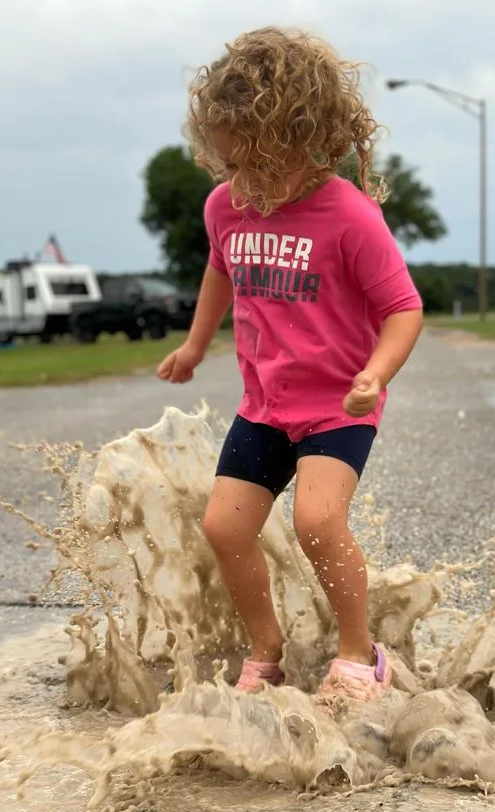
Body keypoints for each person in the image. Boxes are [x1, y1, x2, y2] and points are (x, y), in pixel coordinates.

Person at [158, 27, 423, 699]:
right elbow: (219, 272)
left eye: (258, 164)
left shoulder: (350, 217)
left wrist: (376, 374)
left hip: (338, 406)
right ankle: (266, 645)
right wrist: (194, 345)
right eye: (230, 165)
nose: (243, 181)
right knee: (224, 526)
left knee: (316, 522)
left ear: (305, 142)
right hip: (266, 408)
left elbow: (403, 308)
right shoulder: (227, 207)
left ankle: (361, 654)